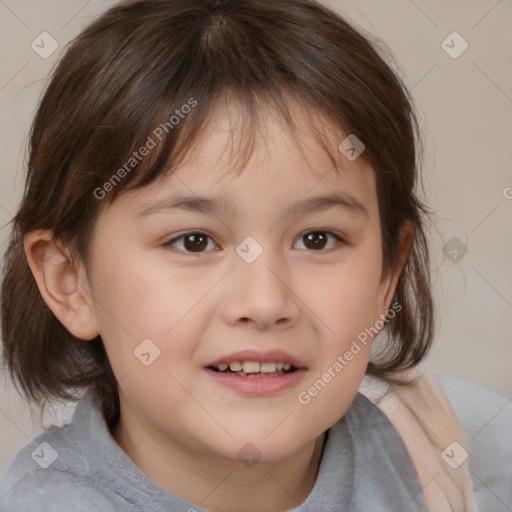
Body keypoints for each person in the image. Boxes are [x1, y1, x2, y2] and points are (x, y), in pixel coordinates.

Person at [0, 0, 510, 511]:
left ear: (386, 275)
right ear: (71, 281)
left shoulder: (457, 449)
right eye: (193, 241)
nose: (265, 302)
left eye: (318, 239)